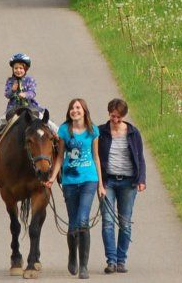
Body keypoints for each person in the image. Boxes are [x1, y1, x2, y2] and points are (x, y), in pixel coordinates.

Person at [46, 98, 105, 279]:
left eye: (78, 108)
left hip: (89, 179)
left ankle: (84, 266)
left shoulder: (93, 130)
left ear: (84, 111)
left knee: (82, 221)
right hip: (70, 181)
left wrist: (101, 185)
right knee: (73, 223)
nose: (75, 110)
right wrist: (53, 177)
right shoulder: (64, 130)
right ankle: (72, 255)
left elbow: (96, 157)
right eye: (72, 108)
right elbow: (60, 157)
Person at [98, 98, 146, 274]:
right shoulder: (101, 132)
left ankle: (121, 260)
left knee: (125, 223)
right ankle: (111, 260)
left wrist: (141, 179)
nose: (115, 120)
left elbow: (140, 158)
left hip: (128, 182)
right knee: (107, 222)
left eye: (118, 117)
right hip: (108, 181)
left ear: (123, 116)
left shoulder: (133, 133)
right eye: (112, 116)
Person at [0, 53, 44, 162]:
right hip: (14, 109)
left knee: (46, 122)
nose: (18, 70)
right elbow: (7, 95)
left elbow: (33, 92)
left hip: (30, 107)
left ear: (26, 69)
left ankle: (58, 143)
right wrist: (13, 90)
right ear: (12, 69)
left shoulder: (30, 80)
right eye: (16, 68)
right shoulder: (10, 81)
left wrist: (26, 94)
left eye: (21, 68)